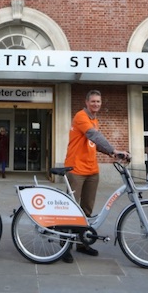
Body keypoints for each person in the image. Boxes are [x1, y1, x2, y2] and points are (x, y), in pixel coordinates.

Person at [62, 89, 130, 263]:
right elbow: (93, 135)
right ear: (86, 102)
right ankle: (65, 248)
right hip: (76, 169)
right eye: (93, 101)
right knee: (71, 210)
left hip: (92, 170)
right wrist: (114, 149)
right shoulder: (81, 117)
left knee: (87, 210)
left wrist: (111, 154)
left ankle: (82, 243)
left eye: (98, 102)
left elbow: (94, 143)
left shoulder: (94, 120)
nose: (96, 104)